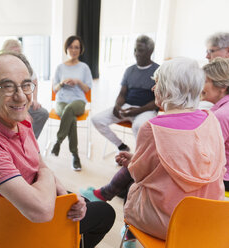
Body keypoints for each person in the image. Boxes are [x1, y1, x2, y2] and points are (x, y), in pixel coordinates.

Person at [0, 51, 115, 248]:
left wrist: (67, 196)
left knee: (83, 202)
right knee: (106, 213)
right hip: (19, 226)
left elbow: (38, 164)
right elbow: (41, 209)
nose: (21, 96)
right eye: (8, 87)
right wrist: (46, 173)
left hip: (26, 203)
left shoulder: (21, 120)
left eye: (26, 85)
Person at [81, 58, 226, 242]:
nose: (152, 89)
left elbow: (139, 174)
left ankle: (130, 239)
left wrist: (134, 162)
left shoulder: (153, 128)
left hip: (168, 222)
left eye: (156, 83)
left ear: (168, 88)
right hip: (209, 217)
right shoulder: (210, 118)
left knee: (134, 189)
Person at [91, 35, 159, 152]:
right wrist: (117, 106)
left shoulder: (158, 71)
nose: (136, 53)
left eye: (140, 50)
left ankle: (139, 157)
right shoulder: (129, 70)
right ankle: (121, 147)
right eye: (135, 50)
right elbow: (122, 93)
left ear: (150, 51)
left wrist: (137, 110)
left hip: (146, 110)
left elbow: (158, 100)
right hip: (127, 107)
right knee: (96, 119)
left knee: (138, 126)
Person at [50, 35, 92, 171]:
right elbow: (54, 89)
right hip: (61, 101)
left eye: (77, 47)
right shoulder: (60, 67)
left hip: (78, 101)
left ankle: (58, 141)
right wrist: (62, 83)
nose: (74, 50)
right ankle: (75, 155)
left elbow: (87, 89)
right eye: (71, 47)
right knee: (71, 118)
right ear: (66, 49)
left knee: (70, 110)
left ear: (80, 50)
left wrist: (78, 82)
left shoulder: (84, 67)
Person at [1, 39, 49, 139]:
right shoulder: (2, 68)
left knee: (42, 113)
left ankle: (29, 141)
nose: (17, 56)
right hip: (9, 106)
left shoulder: (25, 65)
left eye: (18, 52)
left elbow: (34, 80)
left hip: (24, 103)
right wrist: (24, 113)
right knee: (24, 120)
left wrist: (34, 100)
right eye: (13, 53)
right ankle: (20, 142)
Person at [202, 57, 229, 191]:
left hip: (224, 180)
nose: (201, 85)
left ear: (222, 86)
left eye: (206, 81)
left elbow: (208, 155)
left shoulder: (221, 115)